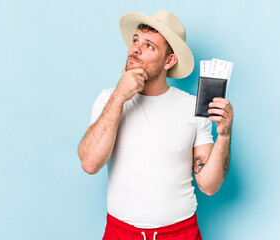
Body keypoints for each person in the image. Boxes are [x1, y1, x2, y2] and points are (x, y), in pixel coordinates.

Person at [78, 10, 233, 240]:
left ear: (169, 61)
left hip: (181, 234)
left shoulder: (192, 108)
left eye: (149, 46)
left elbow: (209, 186)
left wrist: (225, 135)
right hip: (121, 233)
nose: (135, 50)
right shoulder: (108, 99)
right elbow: (90, 163)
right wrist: (120, 94)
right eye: (135, 41)